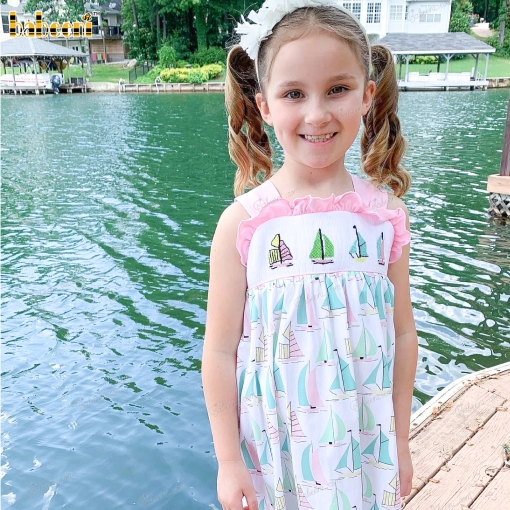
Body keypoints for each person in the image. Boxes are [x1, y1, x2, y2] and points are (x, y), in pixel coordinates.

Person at [201, 1, 418, 509]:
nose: (317, 114)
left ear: (366, 96)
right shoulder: (246, 224)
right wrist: (229, 461)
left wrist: (402, 440)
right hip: (276, 449)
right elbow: (218, 352)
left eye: (337, 89)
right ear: (265, 106)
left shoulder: (383, 217)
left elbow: (403, 332)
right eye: (294, 93)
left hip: (364, 443)